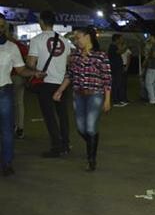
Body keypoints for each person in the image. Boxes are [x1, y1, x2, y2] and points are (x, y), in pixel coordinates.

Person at [53, 27, 112, 171]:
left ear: (87, 37)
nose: (76, 41)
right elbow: (70, 75)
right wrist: (60, 90)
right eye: (75, 38)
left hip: (95, 95)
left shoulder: (100, 56)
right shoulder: (74, 56)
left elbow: (107, 79)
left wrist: (107, 100)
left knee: (90, 127)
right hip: (78, 95)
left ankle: (91, 160)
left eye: (78, 37)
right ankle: (92, 143)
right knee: (80, 128)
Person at [0, 13, 45, 175]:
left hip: (4, 91)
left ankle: (7, 162)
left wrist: (34, 73)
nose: (0, 28)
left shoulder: (11, 47)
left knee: (6, 130)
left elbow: (20, 69)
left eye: (2, 25)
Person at [27, 11, 73, 157]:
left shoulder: (36, 40)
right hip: (62, 83)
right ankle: (65, 144)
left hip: (45, 82)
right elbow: (68, 62)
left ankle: (56, 146)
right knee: (63, 115)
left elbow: (31, 63)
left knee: (49, 116)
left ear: (41, 22)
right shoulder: (64, 40)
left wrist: (35, 68)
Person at [108, 34, 126, 107]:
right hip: (115, 68)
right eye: (121, 39)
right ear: (117, 39)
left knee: (118, 83)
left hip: (117, 68)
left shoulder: (114, 46)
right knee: (116, 84)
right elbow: (119, 52)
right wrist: (124, 47)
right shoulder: (113, 46)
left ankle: (118, 99)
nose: (122, 40)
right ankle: (116, 101)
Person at [144, 34, 155, 104]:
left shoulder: (154, 45)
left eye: (150, 37)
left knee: (148, 83)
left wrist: (148, 55)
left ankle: (152, 99)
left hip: (152, 66)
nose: (149, 39)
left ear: (153, 37)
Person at [119, 37, 132, 104]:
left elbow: (129, 58)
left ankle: (123, 98)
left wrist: (126, 67)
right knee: (121, 83)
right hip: (119, 66)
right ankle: (121, 98)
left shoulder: (126, 50)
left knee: (123, 83)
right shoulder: (119, 48)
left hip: (123, 65)